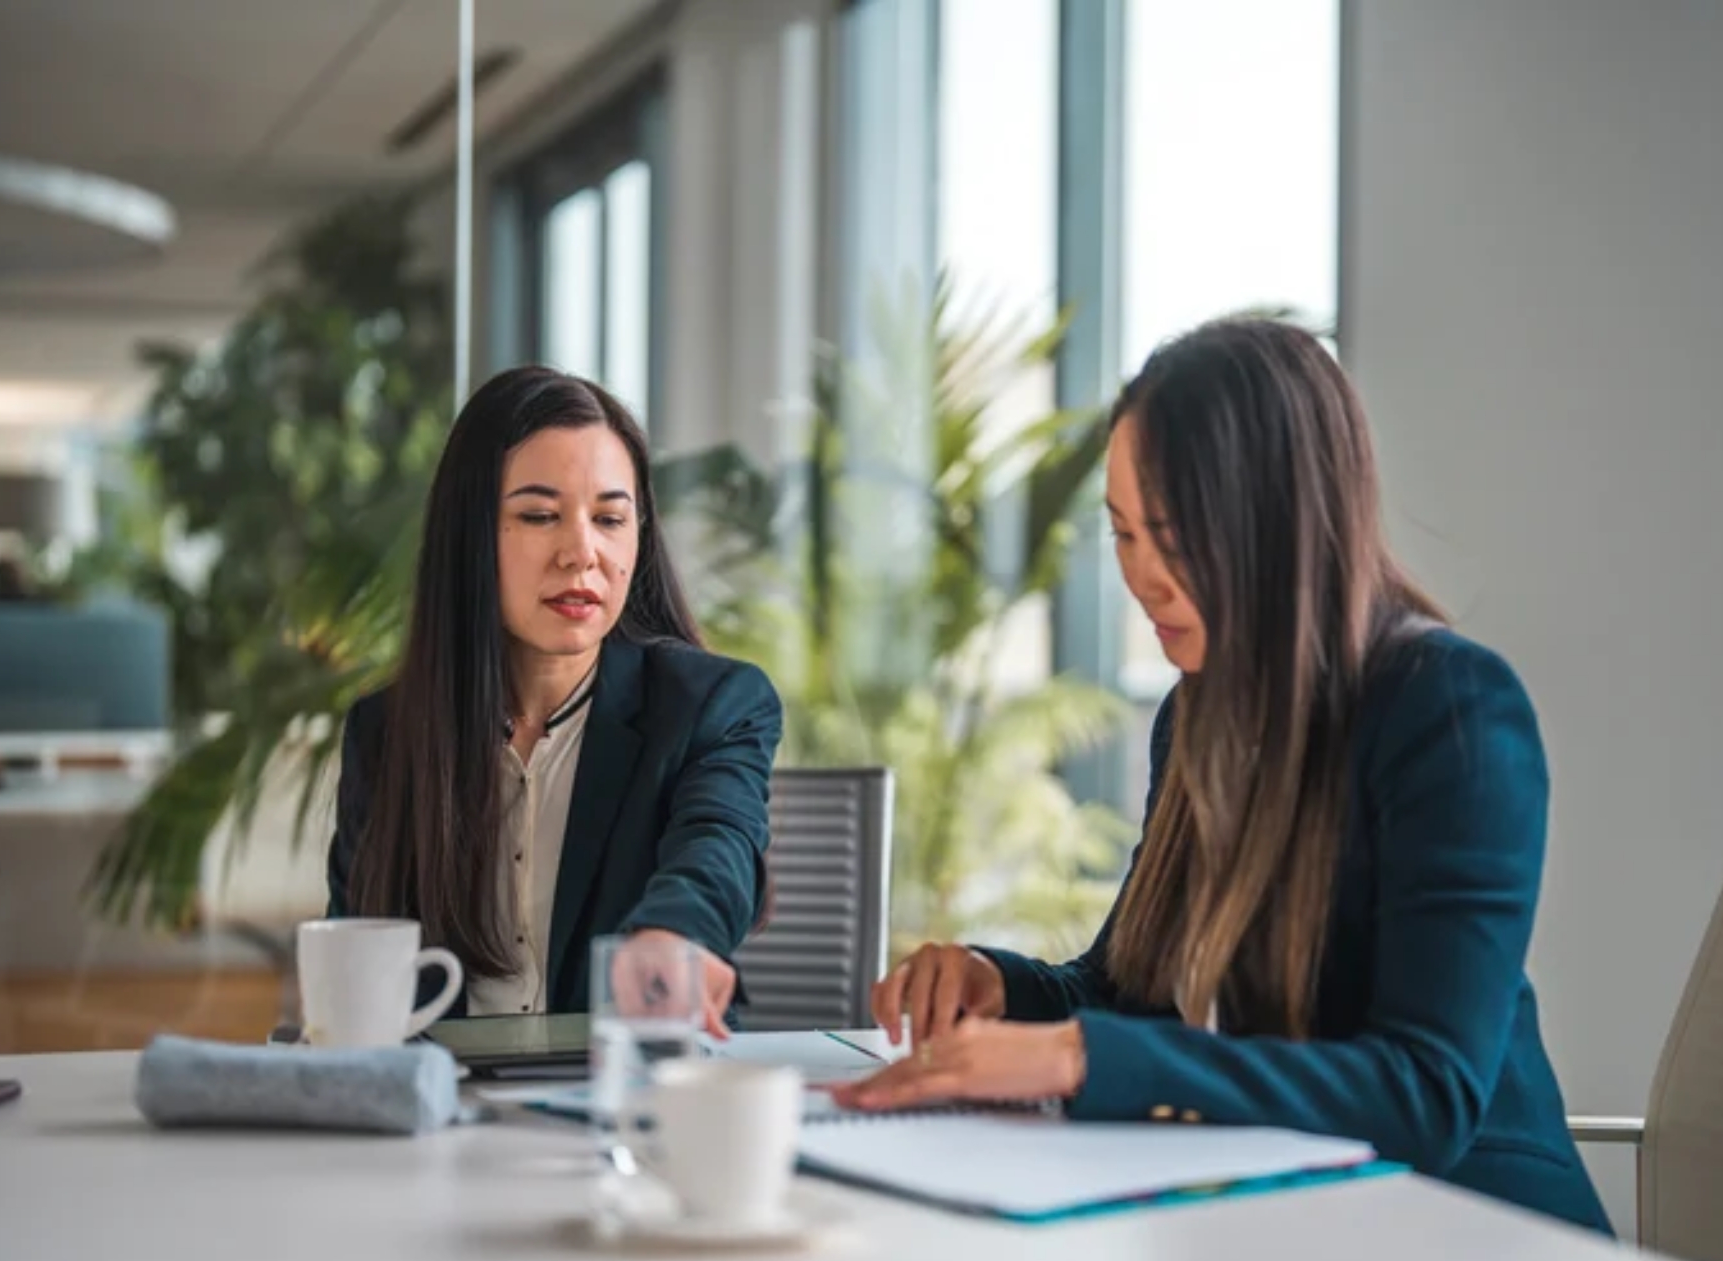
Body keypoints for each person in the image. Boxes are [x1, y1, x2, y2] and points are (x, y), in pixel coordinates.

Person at [830, 317, 1613, 1234]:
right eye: (1122, 534)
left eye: (1172, 535)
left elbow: (1423, 1092)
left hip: (1465, 1220)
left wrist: (1079, 1058)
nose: (1144, 577)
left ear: (1278, 522)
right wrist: (1000, 986)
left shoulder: (1450, 709)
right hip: (1279, 1214)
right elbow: (1125, 994)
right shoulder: (1196, 711)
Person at [325, 366, 781, 1036]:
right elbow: (355, 955)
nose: (581, 552)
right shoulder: (387, 732)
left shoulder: (712, 705)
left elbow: (719, 847)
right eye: (539, 515)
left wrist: (672, 935)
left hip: (624, 1098)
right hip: (437, 1107)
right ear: (470, 536)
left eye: (610, 518)